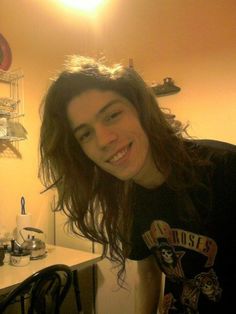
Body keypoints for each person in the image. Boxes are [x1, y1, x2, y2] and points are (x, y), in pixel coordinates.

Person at [39, 55, 236, 314]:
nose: (103, 140)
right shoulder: (130, 196)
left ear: (141, 110)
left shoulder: (225, 169)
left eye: (112, 115)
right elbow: (148, 274)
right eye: (85, 134)